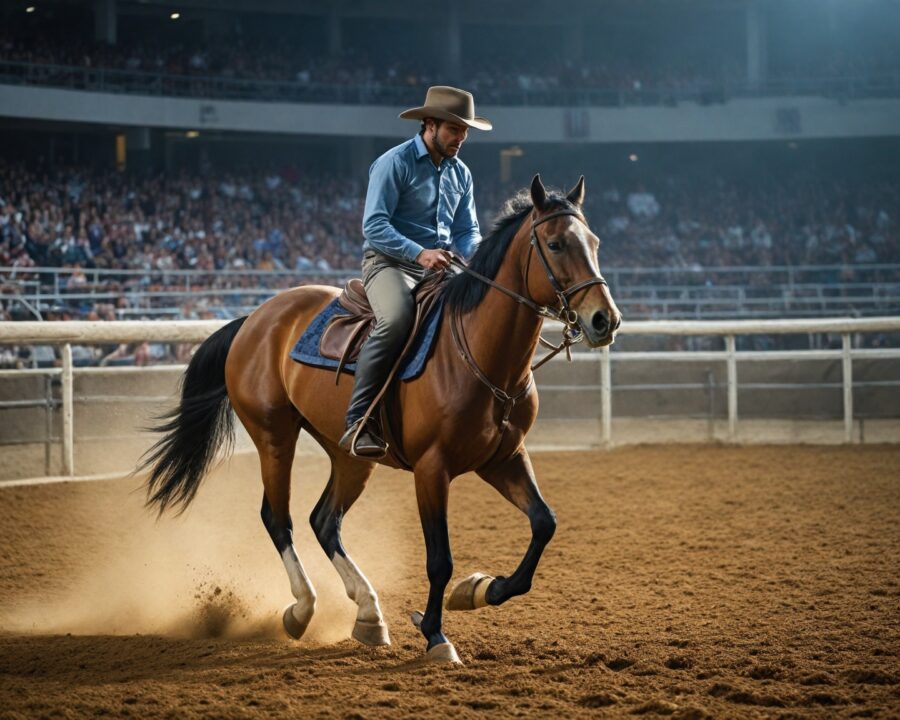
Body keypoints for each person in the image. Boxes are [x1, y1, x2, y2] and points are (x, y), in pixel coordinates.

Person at [339, 86, 493, 457]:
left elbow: (466, 231)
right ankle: (360, 420)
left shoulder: (462, 173)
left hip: (441, 264)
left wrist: (480, 257)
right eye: (454, 129)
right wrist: (419, 253)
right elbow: (374, 225)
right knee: (395, 320)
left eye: (465, 131)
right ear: (429, 124)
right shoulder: (394, 163)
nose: (461, 138)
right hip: (389, 263)